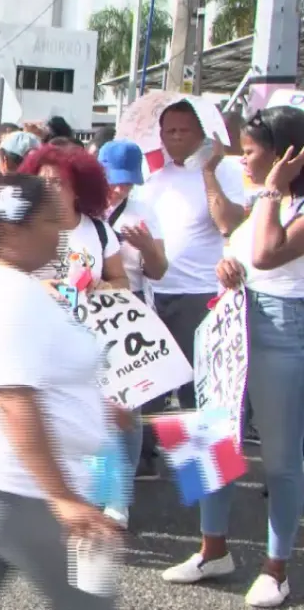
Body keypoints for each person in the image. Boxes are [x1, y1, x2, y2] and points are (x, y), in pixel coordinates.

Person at [0, 173, 122, 610]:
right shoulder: (12, 295)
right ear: (11, 230)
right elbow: (12, 398)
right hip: (16, 488)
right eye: (50, 221)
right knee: (92, 602)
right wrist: (62, 497)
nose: (62, 231)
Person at [161, 106, 304, 608]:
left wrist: (271, 190)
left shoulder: (288, 202)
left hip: (286, 330)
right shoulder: (264, 197)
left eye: (249, 151)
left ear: (289, 153)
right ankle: (212, 548)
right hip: (234, 320)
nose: (241, 159)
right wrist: (228, 266)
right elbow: (246, 251)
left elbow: (268, 253)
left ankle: (276, 567)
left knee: (282, 459)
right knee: (208, 438)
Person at [136, 101, 245, 411]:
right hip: (153, 292)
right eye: (170, 131)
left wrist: (209, 172)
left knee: (196, 391)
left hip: (199, 294)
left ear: (201, 133)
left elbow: (228, 222)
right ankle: (149, 456)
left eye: (185, 130)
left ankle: (201, 457)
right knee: (151, 386)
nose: (177, 137)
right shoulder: (153, 175)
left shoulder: (226, 171)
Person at [96, 140, 168, 505]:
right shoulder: (83, 208)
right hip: (87, 304)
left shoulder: (142, 211)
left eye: (127, 181)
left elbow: (158, 270)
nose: (119, 188)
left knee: (127, 403)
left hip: (130, 305)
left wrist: (147, 248)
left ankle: (118, 497)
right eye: (113, 179)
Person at [20, 144, 128, 291]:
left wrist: (106, 287)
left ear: (77, 189)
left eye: (56, 182)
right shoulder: (22, 230)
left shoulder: (100, 231)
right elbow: (2, 281)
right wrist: (41, 287)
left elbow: (121, 281)